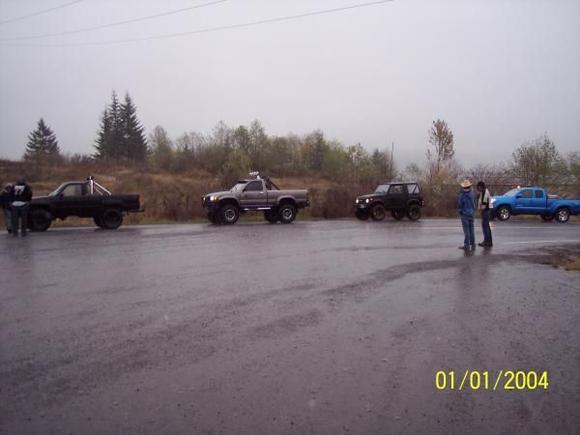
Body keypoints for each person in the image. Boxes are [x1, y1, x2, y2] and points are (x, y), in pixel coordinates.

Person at [457, 179, 476, 251]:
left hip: (464, 214)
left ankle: (466, 245)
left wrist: (460, 211)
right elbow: (474, 203)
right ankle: (473, 243)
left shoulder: (462, 195)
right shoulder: (472, 193)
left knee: (466, 231)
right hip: (471, 213)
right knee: (471, 229)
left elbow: (460, 205)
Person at [476, 181, 493, 247]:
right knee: (486, 227)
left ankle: (487, 242)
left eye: (478, 187)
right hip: (487, 211)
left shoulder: (485, 193)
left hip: (486, 211)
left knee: (485, 227)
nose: (478, 188)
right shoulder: (483, 192)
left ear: (481, 186)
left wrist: (480, 212)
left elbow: (484, 204)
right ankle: (488, 241)